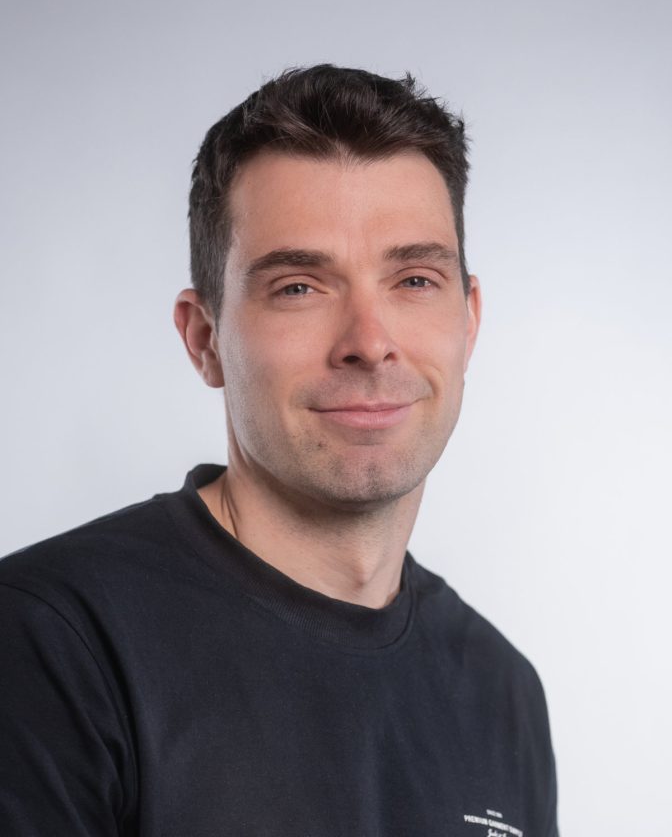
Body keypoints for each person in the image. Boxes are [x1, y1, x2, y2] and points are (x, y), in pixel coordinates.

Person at [0, 65, 559, 836]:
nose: (369, 342)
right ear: (204, 339)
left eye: (414, 280)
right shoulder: (50, 644)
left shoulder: (503, 693)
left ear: (469, 322)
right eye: (299, 286)